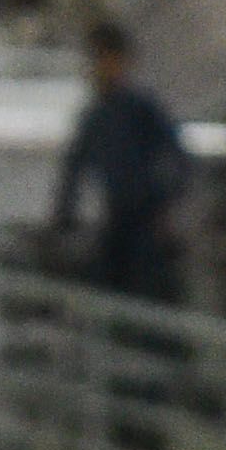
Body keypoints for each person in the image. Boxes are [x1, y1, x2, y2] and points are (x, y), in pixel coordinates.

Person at [52, 20, 188, 303]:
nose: (99, 67)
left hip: (145, 224)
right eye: (95, 58)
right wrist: (64, 219)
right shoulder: (95, 116)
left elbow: (179, 158)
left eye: (105, 58)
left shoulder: (140, 108)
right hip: (116, 222)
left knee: (146, 298)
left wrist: (163, 202)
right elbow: (73, 171)